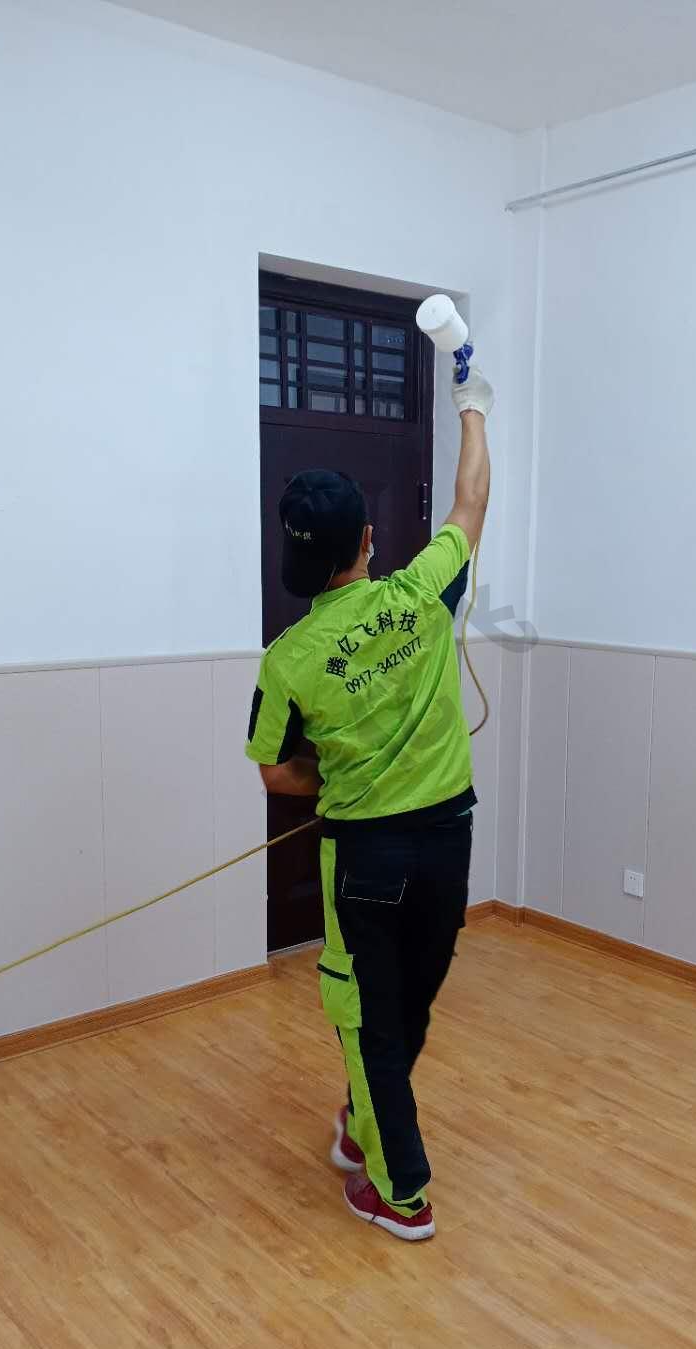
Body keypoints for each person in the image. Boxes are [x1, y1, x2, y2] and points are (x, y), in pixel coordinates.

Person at [245, 358, 494, 1242]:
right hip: (448, 843)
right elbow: (470, 504)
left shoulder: (287, 660)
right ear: (366, 541)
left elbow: (278, 774)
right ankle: (364, 1125)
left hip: (366, 859)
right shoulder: (421, 593)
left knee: (373, 1023)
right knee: (405, 1007)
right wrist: (472, 410)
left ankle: (400, 1194)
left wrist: (342, 773)